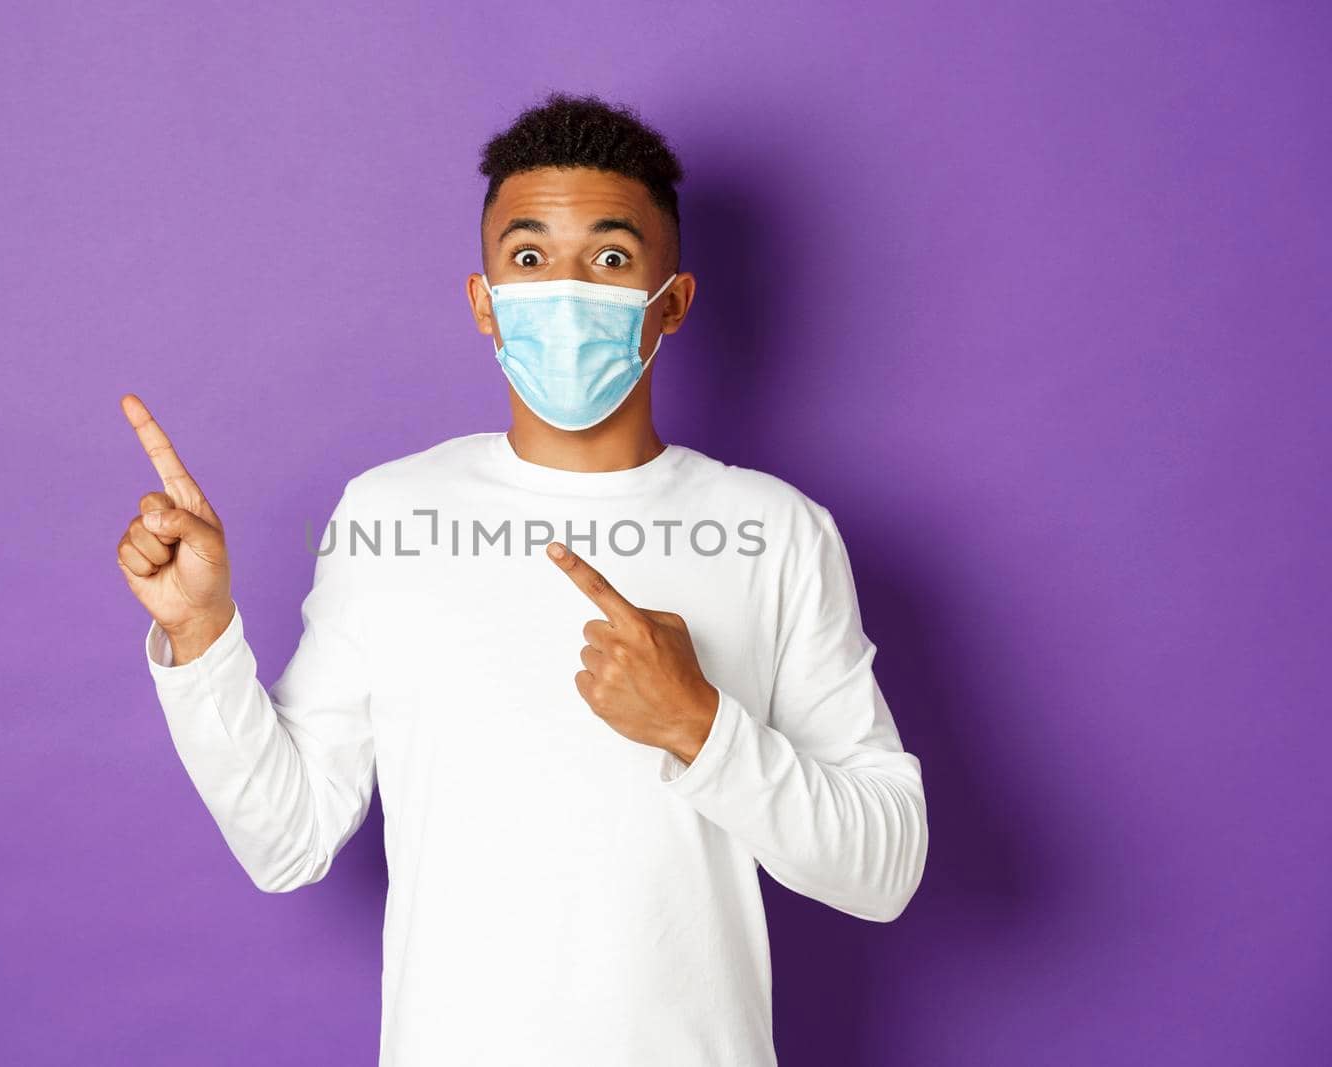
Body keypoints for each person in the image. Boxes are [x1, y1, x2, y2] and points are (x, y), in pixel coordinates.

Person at [115, 91, 928, 1067]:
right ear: (483, 299)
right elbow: (285, 839)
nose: (566, 288)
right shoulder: (389, 515)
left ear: (671, 303)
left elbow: (883, 867)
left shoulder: (773, 530)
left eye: (613, 258)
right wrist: (202, 636)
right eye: (530, 257)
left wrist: (697, 724)